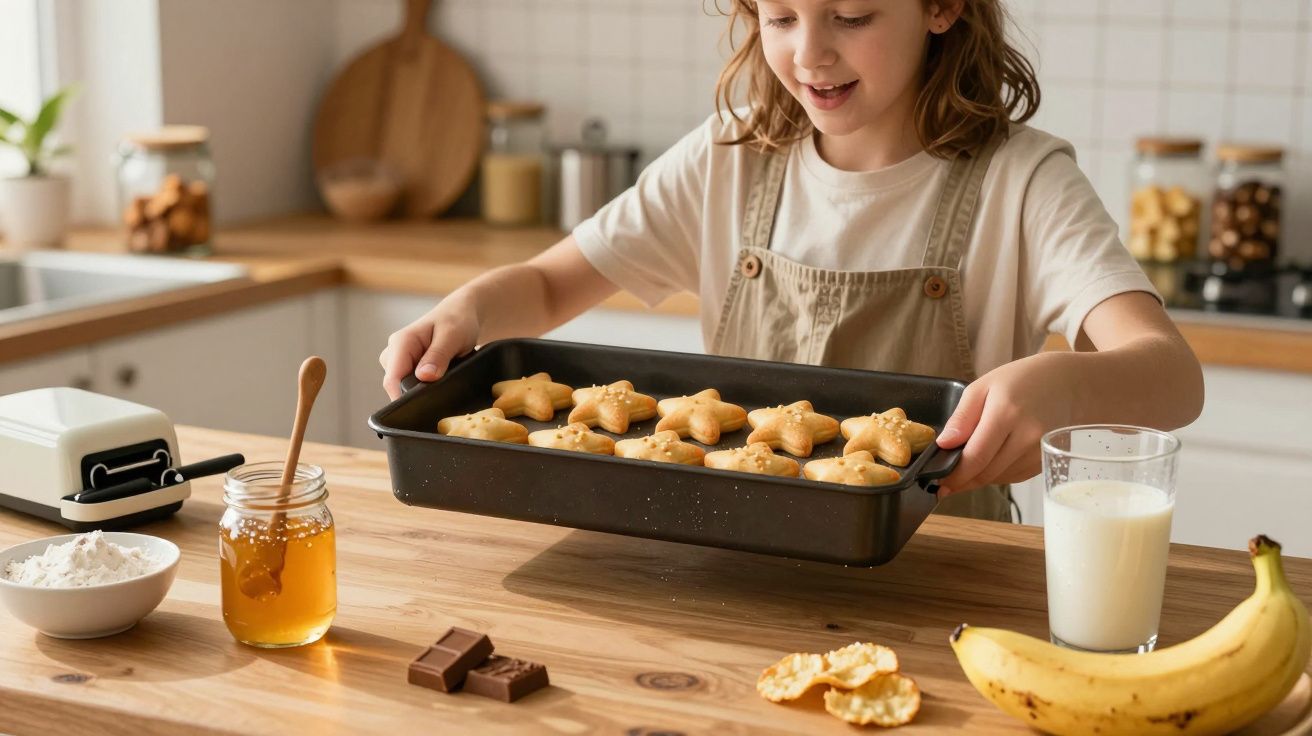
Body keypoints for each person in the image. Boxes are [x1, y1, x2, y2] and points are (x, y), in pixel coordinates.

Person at [380, 0, 1204, 521]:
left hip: (947, 576)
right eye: (779, 17)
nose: (809, 54)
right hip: (732, 559)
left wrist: (1065, 385)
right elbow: (553, 281)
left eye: (850, 17)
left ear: (942, 6)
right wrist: (471, 311)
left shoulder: (1024, 183)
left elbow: (1171, 375)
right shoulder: (729, 156)